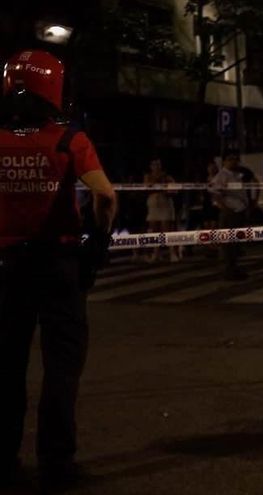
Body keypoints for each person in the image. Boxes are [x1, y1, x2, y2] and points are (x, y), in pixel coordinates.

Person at [0, 50, 117, 491]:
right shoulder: (70, 140)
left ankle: (4, 457)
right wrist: (97, 245)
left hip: (8, 269)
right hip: (59, 267)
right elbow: (105, 196)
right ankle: (56, 462)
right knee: (61, 369)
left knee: (7, 367)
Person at [209, 152, 252, 280]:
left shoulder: (235, 174)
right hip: (231, 213)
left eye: (235, 159)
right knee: (229, 244)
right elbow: (215, 192)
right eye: (230, 159)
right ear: (224, 162)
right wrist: (225, 208)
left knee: (236, 243)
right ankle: (229, 271)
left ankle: (234, 269)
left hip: (238, 211)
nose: (234, 161)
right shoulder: (222, 175)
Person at [144, 157, 180, 263]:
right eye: (154, 164)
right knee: (154, 230)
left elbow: (174, 190)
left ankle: (172, 253)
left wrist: (165, 188)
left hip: (165, 205)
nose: (156, 166)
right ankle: (156, 254)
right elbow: (147, 187)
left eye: (158, 164)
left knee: (167, 230)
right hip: (153, 206)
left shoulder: (168, 177)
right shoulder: (148, 176)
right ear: (150, 166)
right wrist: (158, 183)